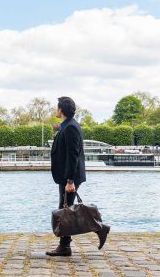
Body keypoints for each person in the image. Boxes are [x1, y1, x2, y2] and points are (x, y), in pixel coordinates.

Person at [46, 97, 109, 256]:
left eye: (57, 107)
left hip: (69, 177)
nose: (56, 109)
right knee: (65, 210)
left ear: (61, 110)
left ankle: (96, 230)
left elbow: (73, 155)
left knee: (65, 210)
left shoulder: (70, 127)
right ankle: (66, 245)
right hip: (66, 176)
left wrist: (70, 181)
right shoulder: (67, 125)